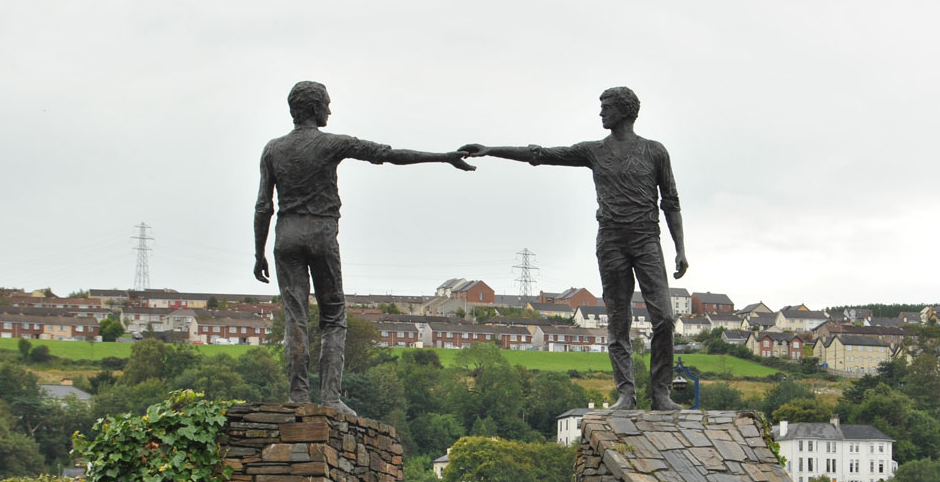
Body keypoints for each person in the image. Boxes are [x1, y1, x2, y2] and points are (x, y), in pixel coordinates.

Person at [460, 87, 687, 410]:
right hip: (611, 242)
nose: (600, 113)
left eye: (606, 107)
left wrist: (680, 249)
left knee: (664, 318)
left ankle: (661, 393)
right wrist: (491, 150)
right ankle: (626, 393)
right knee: (617, 319)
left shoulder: (655, 152)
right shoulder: (594, 151)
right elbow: (542, 155)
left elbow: (671, 202)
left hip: (647, 240)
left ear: (624, 111)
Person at [254, 81, 473, 415]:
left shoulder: (273, 149)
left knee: (295, 318)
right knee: (333, 316)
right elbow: (389, 155)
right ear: (314, 109)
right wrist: (443, 157)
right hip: (321, 234)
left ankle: (298, 396)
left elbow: (263, 207)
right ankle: (329, 397)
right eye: (327, 104)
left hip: (285, 237)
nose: (330, 110)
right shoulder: (331, 144)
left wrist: (258, 252)